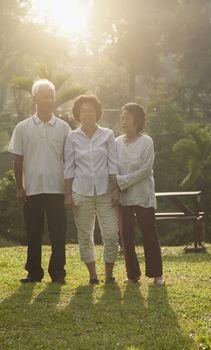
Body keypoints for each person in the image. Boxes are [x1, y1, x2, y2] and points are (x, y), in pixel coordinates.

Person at [8, 79, 70, 284]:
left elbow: (69, 160)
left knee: (58, 233)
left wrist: (68, 191)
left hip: (56, 189)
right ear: (35, 99)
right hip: (31, 189)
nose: (50, 100)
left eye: (52, 96)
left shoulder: (63, 128)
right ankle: (34, 272)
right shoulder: (23, 127)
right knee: (33, 233)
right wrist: (19, 187)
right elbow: (17, 160)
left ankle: (58, 273)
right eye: (45, 96)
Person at [64, 94, 119, 285]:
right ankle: (93, 276)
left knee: (111, 235)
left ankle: (109, 274)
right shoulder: (72, 137)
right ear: (78, 114)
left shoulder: (108, 135)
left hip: (105, 192)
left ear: (97, 113)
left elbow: (113, 164)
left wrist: (115, 189)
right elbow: (69, 167)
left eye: (91, 111)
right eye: (83, 111)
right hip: (81, 192)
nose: (87, 114)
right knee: (85, 236)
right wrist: (68, 194)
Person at [111, 102, 164, 285]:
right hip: (124, 198)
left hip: (143, 196)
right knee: (125, 236)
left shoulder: (146, 142)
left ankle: (157, 274)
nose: (124, 121)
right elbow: (113, 168)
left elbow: (145, 170)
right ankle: (132, 275)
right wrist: (117, 186)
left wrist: (121, 182)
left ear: (137, 120)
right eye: (122, 118)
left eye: (127, 118)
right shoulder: (116, 142)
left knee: (149, 234)